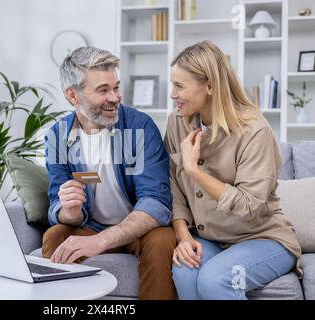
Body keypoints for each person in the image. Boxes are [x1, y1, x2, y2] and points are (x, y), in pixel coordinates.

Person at [165, 40, 302, 300]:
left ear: (210, 86)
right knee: (184, 270)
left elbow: (249, 205)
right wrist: (183, 237)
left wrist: (194, 171)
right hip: (210, 238)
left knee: (216, 279)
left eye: (179, 86)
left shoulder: (255, 130)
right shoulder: (177, 120)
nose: (172, 94)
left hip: (263, 238)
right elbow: (172, 183)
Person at [42, 47, 176, 300]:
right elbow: (56, 202)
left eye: (115, 87)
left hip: (141, 230)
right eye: (103, 90)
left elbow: (156, 202)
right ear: (73, 95)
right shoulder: (58, 135)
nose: (114, 97)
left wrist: (102, 241)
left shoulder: (138, 127)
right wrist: (68, 211)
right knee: (55, 235)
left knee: (161, 241)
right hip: (90, 226)